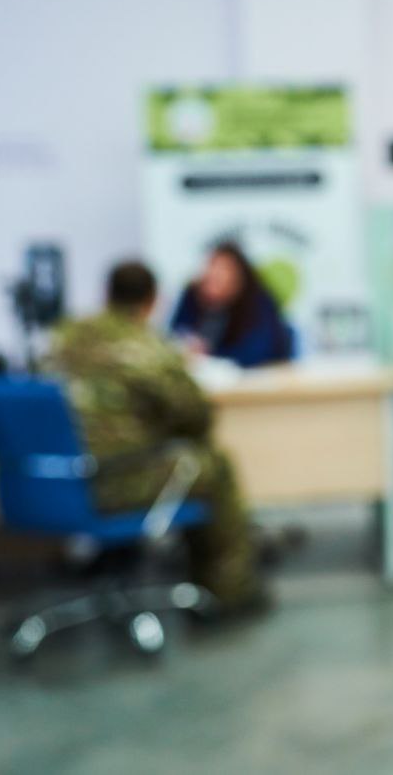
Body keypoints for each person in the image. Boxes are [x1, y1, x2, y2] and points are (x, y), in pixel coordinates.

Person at [45, 261, 265, 612]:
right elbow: (195, 415)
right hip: (117, 481)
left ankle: (115, 560)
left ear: (107, 295)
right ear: (152, 301)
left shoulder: (62, 338)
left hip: (54, 481)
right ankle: (230, 591)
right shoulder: (145, 345)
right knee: (213, 464)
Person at [170, 242, 293, 368]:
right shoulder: (193, 293)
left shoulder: (257, 302)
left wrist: (209, 353)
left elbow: (256, 353)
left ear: (238, 278)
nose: (214, 273)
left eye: (223, 270)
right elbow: (176, 332)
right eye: (212, 266)